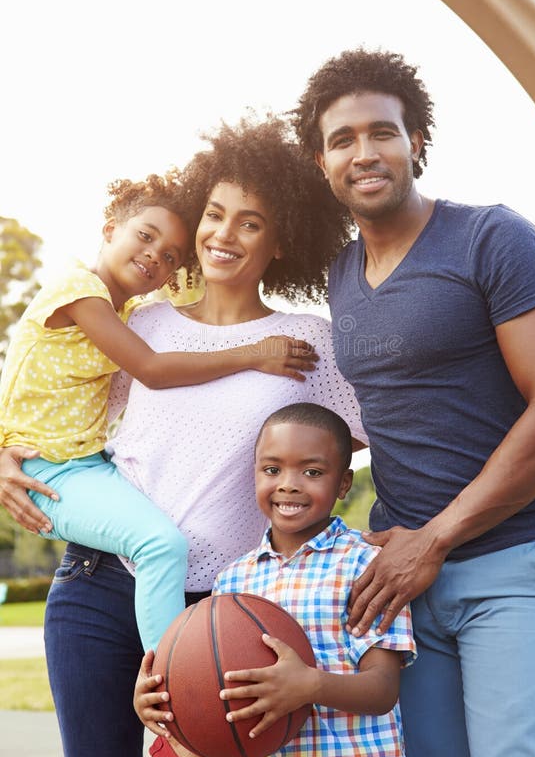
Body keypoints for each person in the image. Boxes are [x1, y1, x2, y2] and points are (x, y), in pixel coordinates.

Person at [0, 116, 367, 757]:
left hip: (224, 608)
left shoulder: (307, 341)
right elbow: (41, 385)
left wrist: (532, 453)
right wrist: (2, 455)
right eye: (215, 215)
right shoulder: (143, 321)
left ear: (282, 237)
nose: (224, 234)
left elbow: (391, 432)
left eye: (250, 221)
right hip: (96, 589)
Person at [291, 47, 535, 757]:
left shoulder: (492, 236)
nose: (364, 153)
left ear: (416, 141)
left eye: (382, 132)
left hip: (509, 567)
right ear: (320, 162)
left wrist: (435, 538)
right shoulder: (338, 276)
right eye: (342, 140)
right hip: (404, 588)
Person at [0, 172, 317, 652]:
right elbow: (151, 369)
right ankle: (170, 675)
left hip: (90, 466)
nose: (155, 255)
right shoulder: (79, 291)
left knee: (159, 539)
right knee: (160, 545)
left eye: (171, 255)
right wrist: (254, 353)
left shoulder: (132, 315)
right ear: (110, 229)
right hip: (51, 473)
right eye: (144, 236)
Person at [135, 402, 415, 757]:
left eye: (312, 472)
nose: (289, 483)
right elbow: (212, 692)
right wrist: (160, 705)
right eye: (272, 469)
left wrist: (309, 685)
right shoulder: (231, 583)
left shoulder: (368, 566)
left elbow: (382, 690)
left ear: (344, 484)